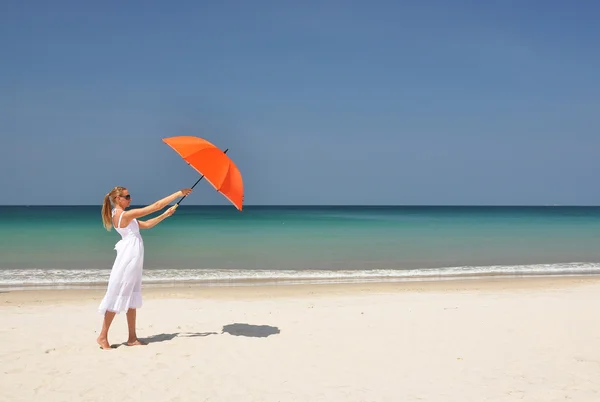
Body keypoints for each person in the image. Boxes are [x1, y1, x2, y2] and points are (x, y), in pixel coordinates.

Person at [96, 186, 192, 350]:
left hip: (134, 258)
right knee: (119, 294)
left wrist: (165, 215)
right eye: (127, 196)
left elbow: (147, 224)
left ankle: (132, 338)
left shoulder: (125, 216)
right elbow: (155, 206)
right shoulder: (124, 215)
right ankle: (102, 336)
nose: (130, 199)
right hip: (128, 259)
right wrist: (178, 193)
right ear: (118, 199)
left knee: (131, 297)